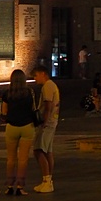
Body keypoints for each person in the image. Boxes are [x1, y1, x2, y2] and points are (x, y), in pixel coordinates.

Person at [0, 69, 35, 196]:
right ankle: (20, 186)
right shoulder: (29, 93)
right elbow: (33, 109)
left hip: (12, 127)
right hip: (27, 126)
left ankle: (9, 186)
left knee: (10, 159)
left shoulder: (7, 94)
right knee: (23, 159)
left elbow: (4, 112)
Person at [32, 65, 60, 193]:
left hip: (47, 123)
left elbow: (48, 105)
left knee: (38, 150)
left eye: (36, 75)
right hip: (52, 121)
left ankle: (46, 180)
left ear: (43, 73)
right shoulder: (52, 85)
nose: (35, 78)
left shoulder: (47, 86)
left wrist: (43, 121)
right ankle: (48, 180)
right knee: (48, 151)